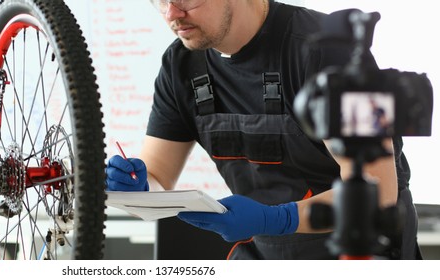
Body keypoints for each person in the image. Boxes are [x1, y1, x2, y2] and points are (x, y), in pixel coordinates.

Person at [106, 0, 421, 259]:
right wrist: (138, 189)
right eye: (159, 0)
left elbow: (377, 194)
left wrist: (277, 218)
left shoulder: (331, 51)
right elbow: (157, 179)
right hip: (266, 254)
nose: (171, 13)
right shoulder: (180, 65)